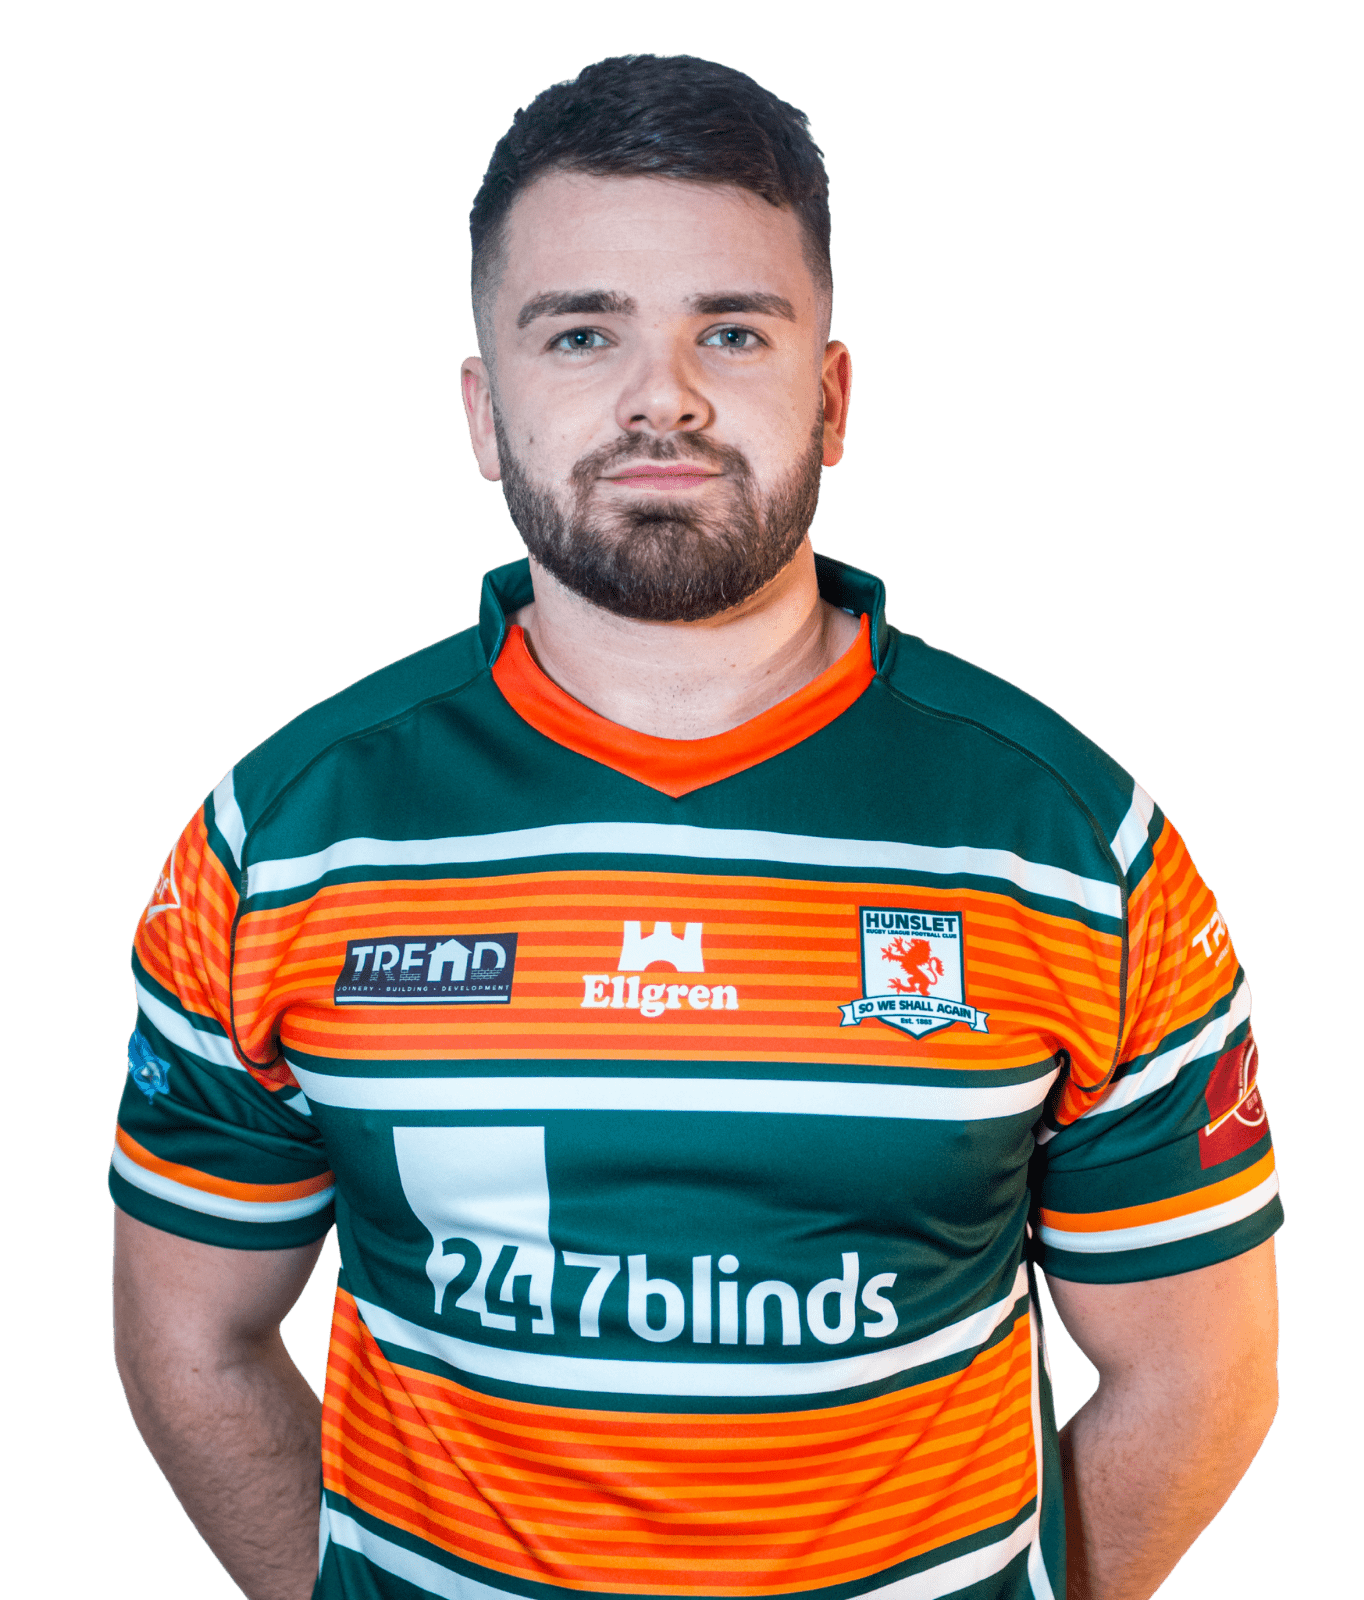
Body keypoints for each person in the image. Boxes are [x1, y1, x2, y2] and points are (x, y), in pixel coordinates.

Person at [110, 54, 1281, 1600]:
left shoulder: (1071, 844)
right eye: (580, 332)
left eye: (731, 329)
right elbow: (191, 1338)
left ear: (833, 397)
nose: (661, 394)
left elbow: (1200, 1375)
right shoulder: (280, 842)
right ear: (484, 412)